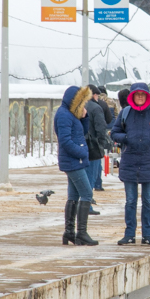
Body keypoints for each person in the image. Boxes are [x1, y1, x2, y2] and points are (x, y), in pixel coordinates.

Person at [110, 82, 150, 246]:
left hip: (149, 162)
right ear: (132, 96)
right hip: (129, 161)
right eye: (137, 95)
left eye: (143, 95)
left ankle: (147, 235)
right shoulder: (125, 113)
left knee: (148, 202)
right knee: (130, 201)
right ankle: (129, 234)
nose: (140, 97)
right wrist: (126, 138)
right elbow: (114, 133)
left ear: (147, 96)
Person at [55, 85, 97, 246]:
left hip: (74, 160)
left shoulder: (70, 114)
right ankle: (81, 233)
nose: (83, 105)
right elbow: (65, 141)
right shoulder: (64, 115)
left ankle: (69, 232)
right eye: (81, 102)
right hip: (73, 161)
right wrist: (81, 152)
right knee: (87, 193)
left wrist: (84, 117)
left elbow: (82, 133)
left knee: (73, 196)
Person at [84, 87, 111, 195]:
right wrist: (101, 144)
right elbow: (101, 127)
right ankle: (88, 203)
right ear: (94, 95)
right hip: (93, 146)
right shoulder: (96, 107)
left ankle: (79, 203)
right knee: (92, 174)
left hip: (80, 145)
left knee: (82, 176)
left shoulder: (78, 106)